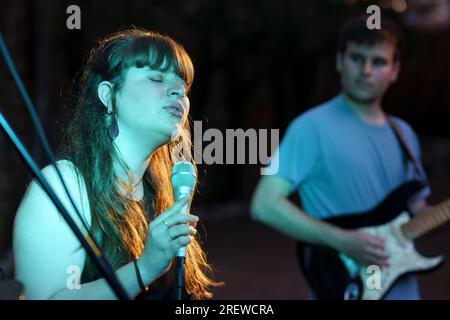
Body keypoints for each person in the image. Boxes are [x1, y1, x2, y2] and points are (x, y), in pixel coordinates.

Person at [13, 28, 219, 300]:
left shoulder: (160, 192)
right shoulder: (63, 186)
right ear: (108, 95)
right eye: (156, 78)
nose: (177, 92)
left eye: (183, 86)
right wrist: (143, 270)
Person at [251, 16, 430, 299]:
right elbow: (264, 204)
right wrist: (344, 241)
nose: (366, 70)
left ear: (395, 70)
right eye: (357, 58)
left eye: (379, 62)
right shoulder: (309, 128)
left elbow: (417, 208)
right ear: (339, 61)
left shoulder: (405, 134)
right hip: (343, 286)